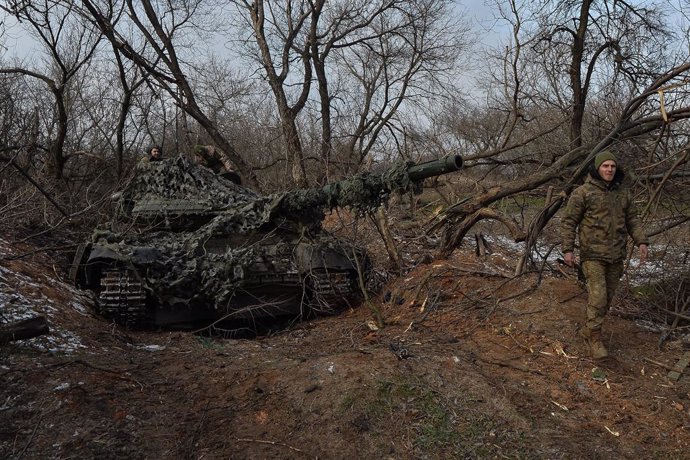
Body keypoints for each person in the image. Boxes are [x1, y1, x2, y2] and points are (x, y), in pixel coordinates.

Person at [561, 150, 649, 359]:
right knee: (598, 297)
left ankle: (588, 329)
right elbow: (569, 222)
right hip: (592, 255)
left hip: (616, 255)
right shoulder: (583, 192)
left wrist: (641, 241)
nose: (609, 169)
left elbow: (633, 220)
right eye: (605, 166)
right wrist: (568, 249)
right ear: (597, 168)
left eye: (612, 166)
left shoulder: (623, 193)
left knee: (607, 299)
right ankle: (594, 338)